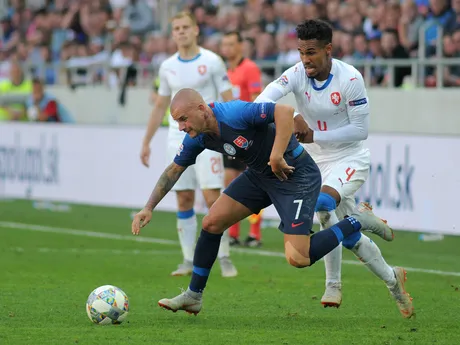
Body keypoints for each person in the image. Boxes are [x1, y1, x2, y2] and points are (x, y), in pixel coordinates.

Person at [131, 88, 394, 315]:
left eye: (183, 120)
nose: (181, 127)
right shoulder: (197, 136)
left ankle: (357, 220)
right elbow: (173, 170)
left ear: (202, 109)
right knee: (212, 222)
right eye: (177, 122)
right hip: (260, 176)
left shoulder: (233, 113)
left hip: (295, 174)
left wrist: (277, 154)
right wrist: (148, 207)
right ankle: (193, 296)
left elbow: (284, 111)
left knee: (299, 258)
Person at [254, 19, 414, 318]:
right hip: (312, 160)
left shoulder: (350, 79)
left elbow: (360, 130)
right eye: (301, 52)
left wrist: (316, 135)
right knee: (348, 236)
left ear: (328, 50)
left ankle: (333, 283)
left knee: (323, 204)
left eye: (311, 52)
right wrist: (295, 114)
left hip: (348, 158)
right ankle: (394, 281)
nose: (305, 59)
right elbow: (263, 100)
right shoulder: (297, 73)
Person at [139, 11, 237, 278]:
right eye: (177, 28)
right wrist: (147, 141)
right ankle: (187, 259)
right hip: (177, 137)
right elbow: (161, 105)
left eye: (185, 27)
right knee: (183, 198)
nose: (181, 32)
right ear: (173, 34)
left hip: (210, 137)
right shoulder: (167, 66)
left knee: (212, 197)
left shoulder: (212, 61)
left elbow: (228, 98)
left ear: (195, 30)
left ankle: (225, 255)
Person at [220, 31, 263, 247]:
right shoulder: (223, 72)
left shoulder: (250, 68)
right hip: (229, 133)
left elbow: (257, 98)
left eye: (230, 43)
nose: (226, 48)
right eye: (224, 44)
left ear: (239, 46)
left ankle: (254, 233)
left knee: (254, 180)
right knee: (230, 180)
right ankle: (234, 233)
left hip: (248, 133)